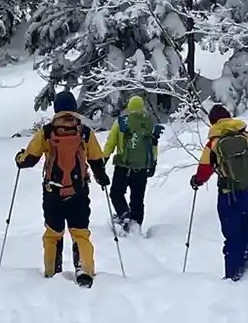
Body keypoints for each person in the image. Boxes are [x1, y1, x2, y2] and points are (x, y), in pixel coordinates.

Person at [16, 90, 109, 286]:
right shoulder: (84, 132)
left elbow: (30, 159)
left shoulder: (48, 132)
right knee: (80, 233)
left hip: (53, 193)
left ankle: (52, 271)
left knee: (53, 233)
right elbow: (96, 160)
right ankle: (84, 270)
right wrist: (102, 178)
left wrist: (20, 159)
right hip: (78, 192)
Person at [190, 103, 248, 281]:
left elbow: (205, 169)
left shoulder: (213, 142)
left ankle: (233, 277)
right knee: (244, 225)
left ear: (213, 122)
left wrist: (197, 181)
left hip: (229, 194)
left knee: (232, 234)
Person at [103, 95, 162, 234]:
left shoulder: (121, 122)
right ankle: (136, 224)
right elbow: (153, 146)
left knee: (116, 193)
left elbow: (110, 143)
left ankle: (124, 214)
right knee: (137, 198)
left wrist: (103, 160)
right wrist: (153, 163)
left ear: (129, 107)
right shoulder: (150, 124)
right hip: (141, 168)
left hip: (123, 166)